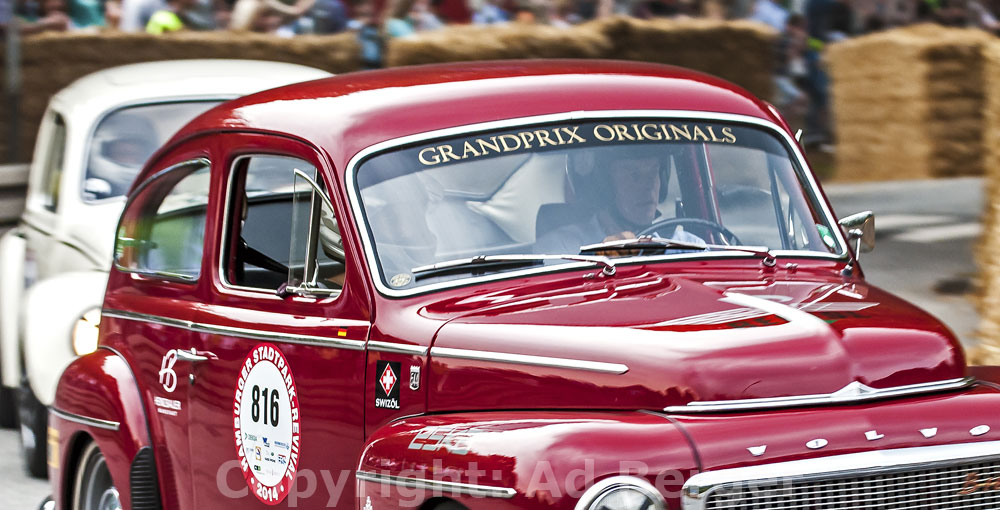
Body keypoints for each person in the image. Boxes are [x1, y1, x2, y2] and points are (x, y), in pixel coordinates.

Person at [535, 147, 703, 256]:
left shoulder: (687, 246)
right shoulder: (560, 249)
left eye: (654, 172)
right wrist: (598, 260)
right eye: (633, 175)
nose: (648, 187)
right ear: (603, 185)